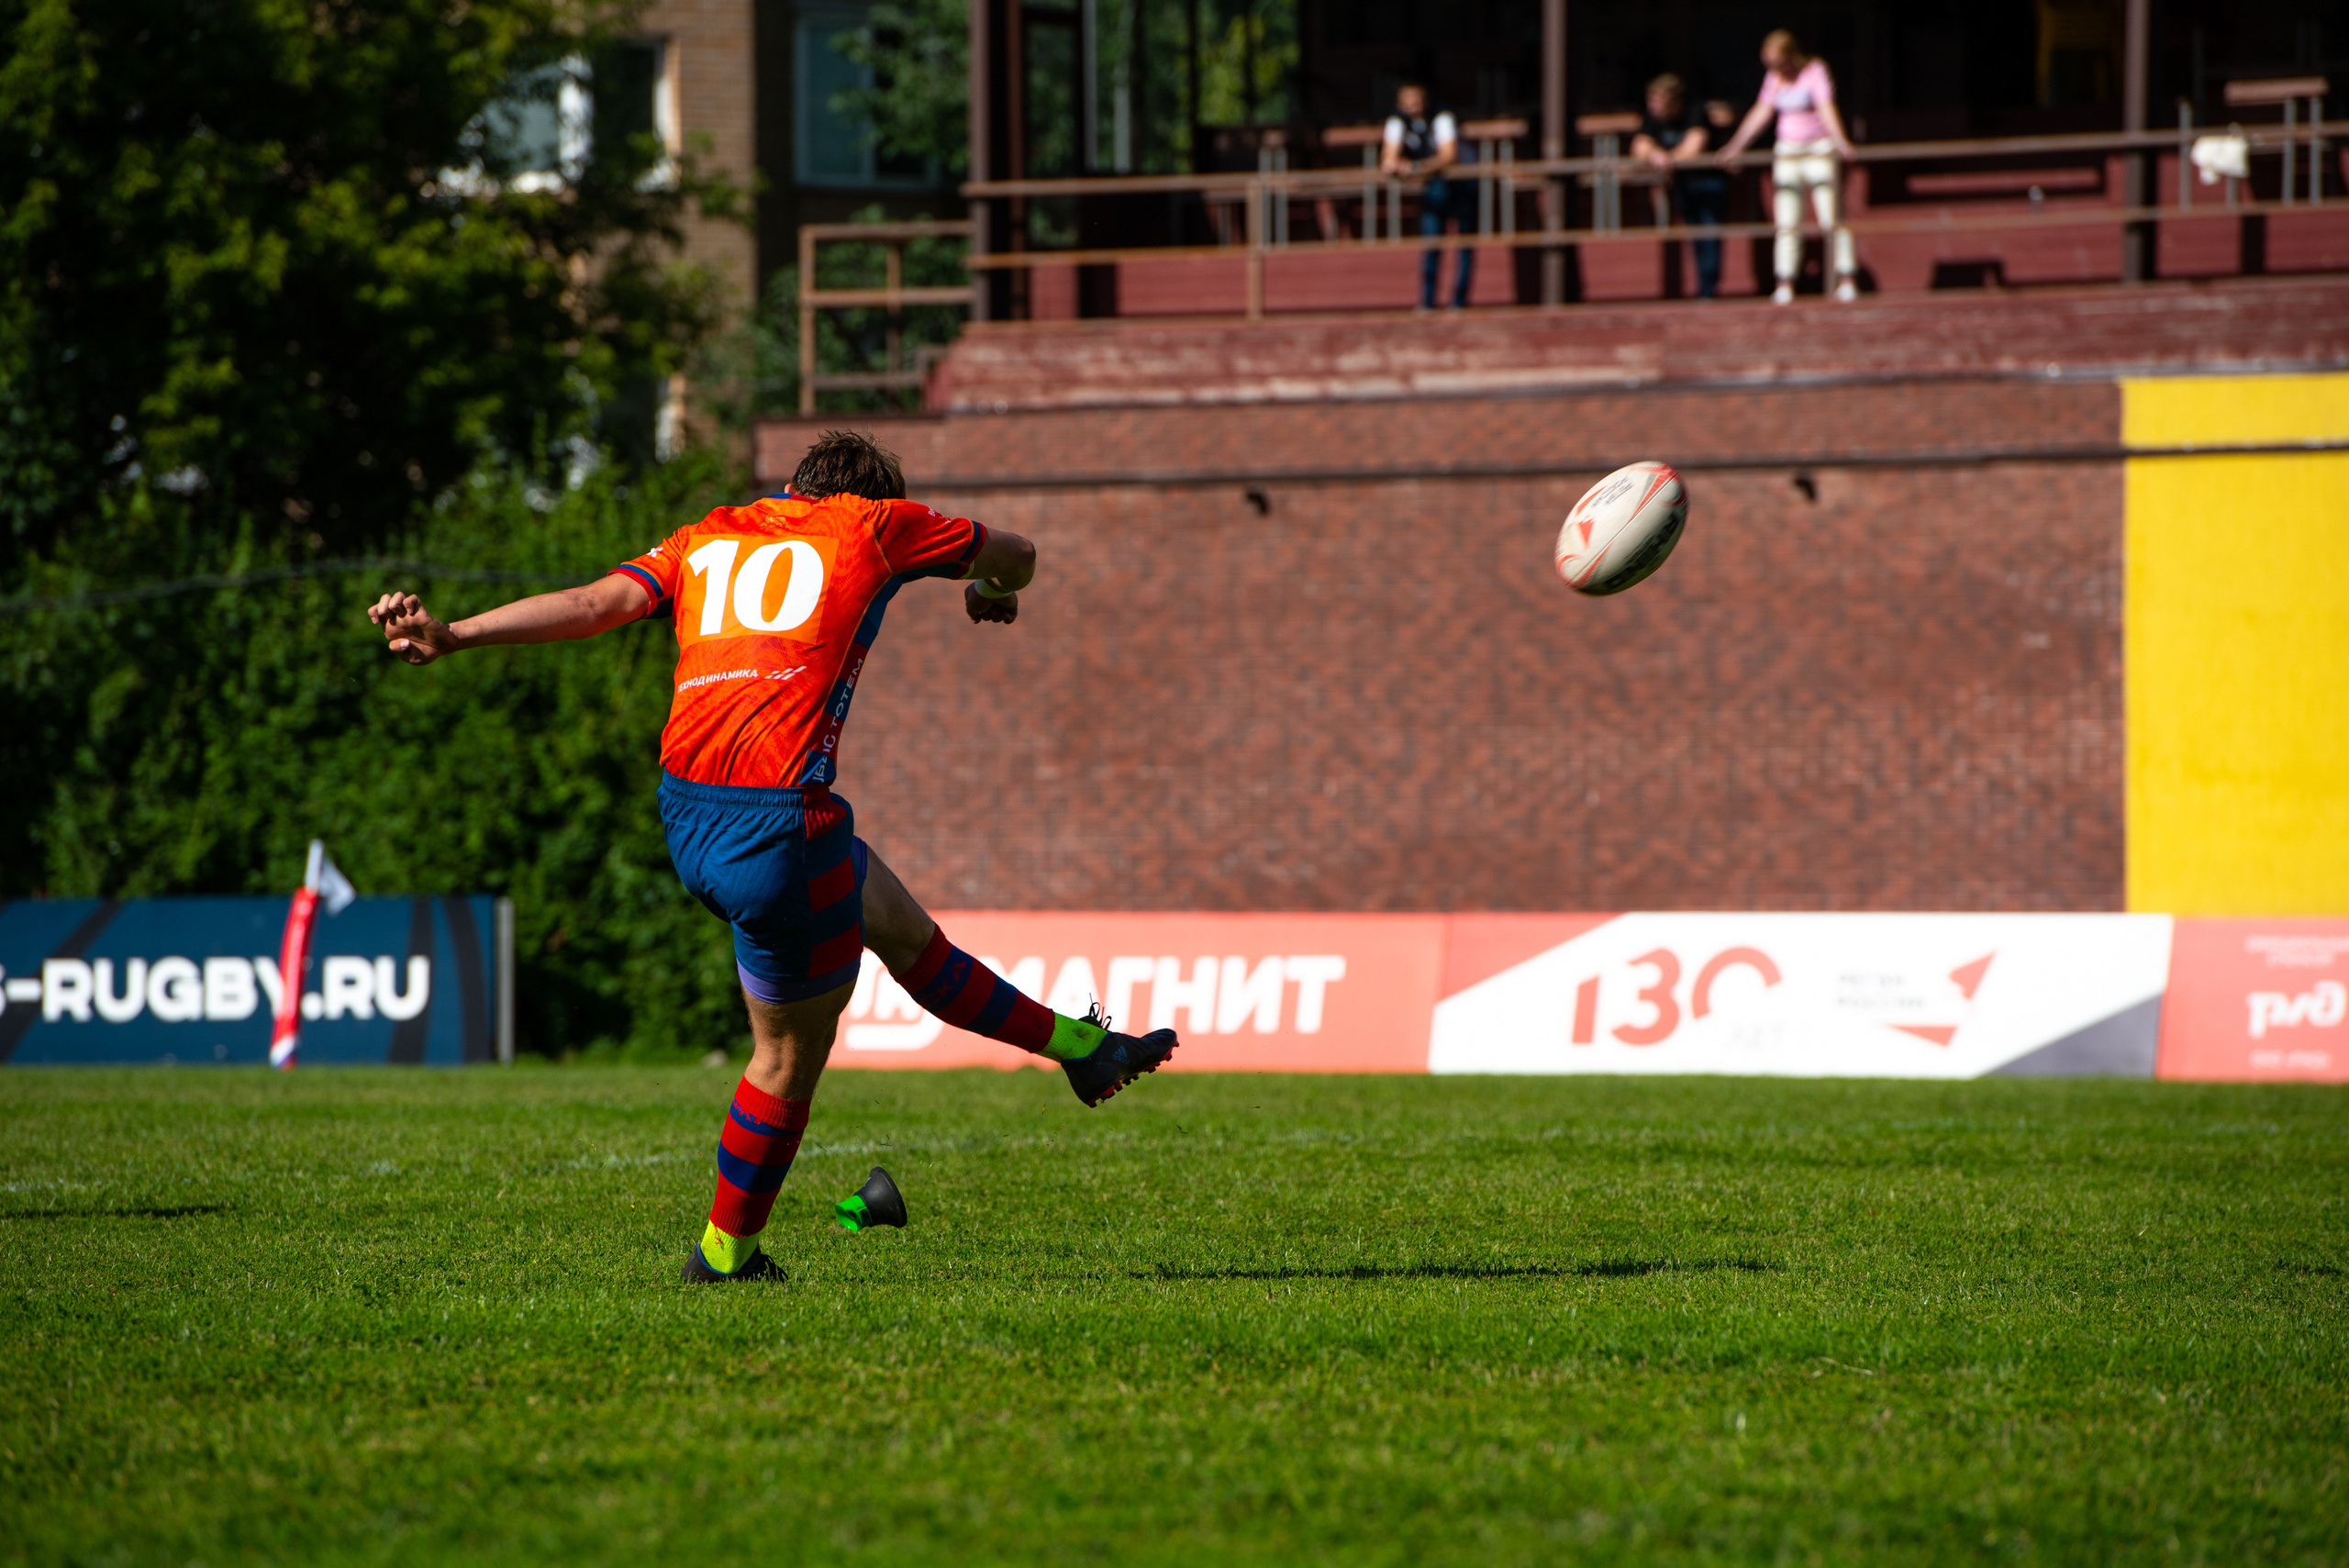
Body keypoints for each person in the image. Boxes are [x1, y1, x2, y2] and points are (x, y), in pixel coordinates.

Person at [366, 431, 1180, 1283]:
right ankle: (725, 1257)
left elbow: (591, 603)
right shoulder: (871, 524)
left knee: (896, 926)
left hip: (689, 814)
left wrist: (455, 633)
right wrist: (987, 588)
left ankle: (1082, 1048)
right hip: (776, 824)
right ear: (869, 495)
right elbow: (1021, 554)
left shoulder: (709, 532)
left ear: (793, 486)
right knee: (786, 1056)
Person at [1719, 29, 1857, 304]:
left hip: (1818, 150)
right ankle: (1785, 282)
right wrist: (1735, 147)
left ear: (1790, 56)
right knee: (1787, 222)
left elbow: (1826, 106)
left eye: (1778, 63)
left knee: (1831, 218)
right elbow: (1762, 112)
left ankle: (1846, 278)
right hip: (1788, 152)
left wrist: (1841, 141)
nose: (1775, 69)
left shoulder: (1815, 71)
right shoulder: (1773, 78)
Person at [1631, 73, 1729, 299]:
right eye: (1651, 101)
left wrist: (1667, 158)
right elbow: (1639, 145)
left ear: (1675, 102)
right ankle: (1703, 287)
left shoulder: (1695, 111)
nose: (1653, 107)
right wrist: (1656, 154)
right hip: (1684, 185)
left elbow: (1694, 147)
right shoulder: (1654, 116)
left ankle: (1708, 290)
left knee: (1709, 234)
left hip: (1709, 183)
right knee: (1694, 236)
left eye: (1659, 101)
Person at [1382, 83, 1474, 310]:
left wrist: (1414, 168)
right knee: (1431, 240)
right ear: (1399, 104)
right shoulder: (1398, 121)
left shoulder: (1442, 117)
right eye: (1408, 103)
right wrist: (1398, 166)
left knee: (1465, 242)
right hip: (1435, 184)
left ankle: (1459, 300)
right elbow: (1387, 160)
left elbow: (1448, 155)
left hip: (1463, 182)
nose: (1413, 107)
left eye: (1417, 102)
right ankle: (1427, 301)